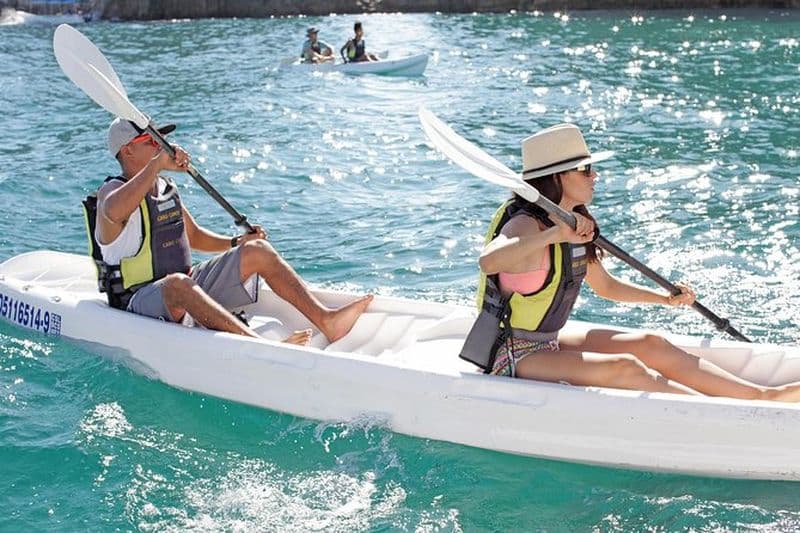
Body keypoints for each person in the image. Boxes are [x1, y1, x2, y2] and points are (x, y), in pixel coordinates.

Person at [473, 123, 800, 402]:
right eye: (585, 169)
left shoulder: (574, 222)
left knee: (650, 345)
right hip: (511, 353)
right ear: (557, 177)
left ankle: (762, 396)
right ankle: (732, 415)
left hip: (548, 342)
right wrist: (553, 235)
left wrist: (664, 299)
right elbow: (489, 261)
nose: (595, 175)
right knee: (626, 367)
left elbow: (605, 286)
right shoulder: (526, 224)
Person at [84, 118, 372, 344]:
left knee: (257, 251)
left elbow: (194, 237)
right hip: (138, 302)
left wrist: (237, 241)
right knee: (178, 284)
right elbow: (114, 211)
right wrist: (156, 165)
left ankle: (327, 320)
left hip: (183, 289)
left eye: (163, 140)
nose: (163, 146)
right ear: (128, 150)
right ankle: (259, 345)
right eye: (153, 141)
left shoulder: (163, 187)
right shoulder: (112, 192)